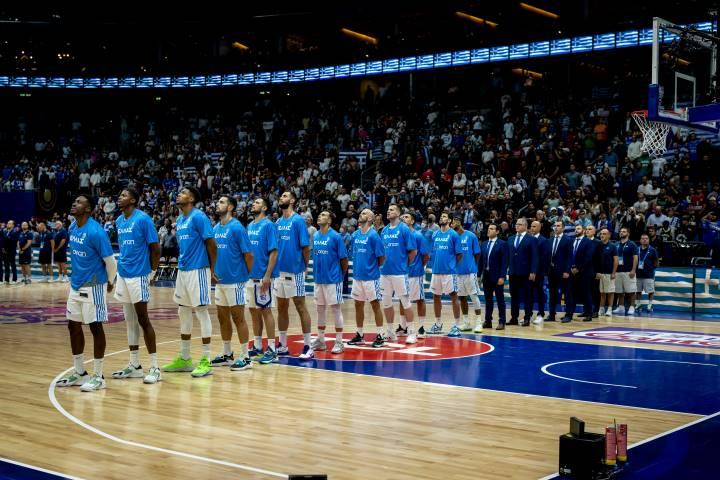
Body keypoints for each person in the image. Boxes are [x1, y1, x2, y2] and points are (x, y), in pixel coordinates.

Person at [55, 195, 116, 392]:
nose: (74, 203)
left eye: (79, 202)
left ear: (88, 209)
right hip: (75, 285)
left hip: (94, 284)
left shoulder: (96, 232)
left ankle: (98, 376)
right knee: (73, 326)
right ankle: (80, 372)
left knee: (95, 327)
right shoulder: (73, 227)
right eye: (74, 201)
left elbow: (111, 262)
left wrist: (109, 281)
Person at [162, 186, 217, 378]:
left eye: (183, 192)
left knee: (201, 311)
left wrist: (213, 269)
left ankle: (206, 360)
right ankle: (185, 358)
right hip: (183, 270)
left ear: (192, 198)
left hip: (198, 269)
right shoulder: (179, 219)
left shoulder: (199, 217)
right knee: (183, 311)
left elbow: (211, 244)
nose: (179, 194)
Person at [111, 188, 162, 384]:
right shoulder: (119, 220)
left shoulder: (143, 219)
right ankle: (134, 365)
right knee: (130, 321)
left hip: (139, 274)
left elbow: (155, 248)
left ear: (133, 200)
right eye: (120, 195)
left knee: (143, 320)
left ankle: (155, 367)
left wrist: (152, 272)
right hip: (123, 274)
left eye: (124, 195)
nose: (120, 197)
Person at [210, 195, 254, 370]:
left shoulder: (237, 227)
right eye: (218, 202)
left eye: (222, 202)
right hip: (220, 282)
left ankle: (246, 357)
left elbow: (248, 255)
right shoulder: (215, 228)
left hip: (235, 281)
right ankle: (227, 354)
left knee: (238, 318)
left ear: (230, 207)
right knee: (222, 318)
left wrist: (243, 275)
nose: (217, 204)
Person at [274, 191, 313, 359]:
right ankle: (283, 345)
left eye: (284, 196)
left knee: (300, 306)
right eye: (280, 196)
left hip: (295, 271)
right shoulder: (277, 222)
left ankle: (308, 346)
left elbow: (305, 247)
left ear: (292, 200)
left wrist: (304, 267)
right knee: (281, 307)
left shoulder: (297, 221)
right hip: (279, 271)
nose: (281, 198)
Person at [309, 211, 349, 356]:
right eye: (319, 215)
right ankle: (321, 340)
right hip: (319, 279)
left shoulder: (336, 236)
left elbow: (344, 259)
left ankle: (339, 341)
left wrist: (339, 276)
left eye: (324, 215)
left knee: (336, 309)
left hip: (333, 279)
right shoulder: (315, 235)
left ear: (330, 220)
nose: (320, 216)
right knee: (319, 309)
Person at [246, 197, 279, 363]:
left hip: (263, 276)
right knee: (253, 310)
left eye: (257, 203)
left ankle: (272, 348)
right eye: (253, 202)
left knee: (266, 310)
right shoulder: (249, 226)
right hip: (249, 276)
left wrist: (267, 275)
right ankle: (257, 345)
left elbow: (274, 251)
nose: (254, 204)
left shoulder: (268, 225)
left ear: (265, 208)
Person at [348, 208, 386, 348]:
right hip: (357, 277)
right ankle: (359, 334)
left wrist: (372, 268)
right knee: (358, 305)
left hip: (371, 277)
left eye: (364, 213)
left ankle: (380, 335)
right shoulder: (355, 235)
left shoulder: (374, 236)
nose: (361, 214)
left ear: (370, 219)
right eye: (361, 213)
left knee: (375, 305)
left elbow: (381, 257)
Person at [380, 204, 417, 341]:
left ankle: (411, 332)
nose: (388, 211)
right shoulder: (384, 230)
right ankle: (390, 331)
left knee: (405, 302)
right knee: (386, 303)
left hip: (400, 272)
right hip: (385, 272)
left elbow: (413, 251)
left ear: (399, 213)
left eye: (392, 210)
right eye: (388, 209)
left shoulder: (404, 229)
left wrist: (404, 264)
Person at [429, 212, 464, 336]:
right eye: (441, 216)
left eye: (444, 216)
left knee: (454, 296)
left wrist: (452, 265)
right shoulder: (435, 234)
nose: (441, 218)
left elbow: (459, 254)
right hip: (436, 270)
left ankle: (457, 325)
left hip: (449, 272)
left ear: (449, 220)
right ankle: (438, 324)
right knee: (436, 296)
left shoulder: (453, 235)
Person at [400, 212, 430, 338]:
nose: (403, 218)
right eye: (402, 217)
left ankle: (421, 327)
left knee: (419, 299)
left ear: (412, 221)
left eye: (406, 217)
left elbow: (426, 256)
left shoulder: (418, 235)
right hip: (402, 272)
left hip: (415, 273)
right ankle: (403, 326)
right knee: (402, 299)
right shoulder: (400, 235)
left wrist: (418, 266)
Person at [452, 217, 483, 332]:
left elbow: (477, 253)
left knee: (474, 296)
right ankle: (466, 323)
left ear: (459, 222)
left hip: (470, 272)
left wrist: (472, 265)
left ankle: (479, 323)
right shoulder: (452, 237)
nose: (452, 224)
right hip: (457, 272)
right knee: (462, 297)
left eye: (454, 222)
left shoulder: (471, 235)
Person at [507, 218, 538, 326]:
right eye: (516, 224)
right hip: (513, 272)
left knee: (527, 296)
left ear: (525, 226)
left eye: (519, 224)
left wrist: (533, 271)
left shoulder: (532, 239)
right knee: (514, 296)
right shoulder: (510, 238)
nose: (517, 226)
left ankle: (527, 318)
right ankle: (514, 318)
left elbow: (535, 256)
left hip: (526, 273)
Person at [479, 223, 509, 330]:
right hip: (486, 276)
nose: (489, 230)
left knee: (500, 299)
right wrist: (478, 275)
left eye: (492, 229)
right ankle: (488, 321)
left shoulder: (502, 244)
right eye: (488, 228)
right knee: (488, 300)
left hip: (497, 276)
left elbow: (504, 262)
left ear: (497, 232)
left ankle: (502, 321)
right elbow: (481, 261)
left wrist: (502, 276)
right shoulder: (484, 243)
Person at [564, 224, 594, 322]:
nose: (576, 230)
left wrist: (578, 268)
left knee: (586, 293)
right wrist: (569, 268)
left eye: (578, 229)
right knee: (570, 293)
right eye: (575, 229)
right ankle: (569, 314)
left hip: (584, 272)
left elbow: (588, 257)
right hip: (571, 271)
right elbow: (568, 256)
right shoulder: (571, 241)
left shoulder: (588, 242)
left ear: (583, 230)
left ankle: (589, 314)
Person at [547, 220, 573, 322]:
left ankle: (568, 315)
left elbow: (569, 257)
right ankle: (552, 314)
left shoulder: (568, 240)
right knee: (552, 293)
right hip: (551, 271)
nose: (556, 227)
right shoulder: (550, 239)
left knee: (567, 293)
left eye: (558, 226)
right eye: (555, 226)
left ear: (563, 228)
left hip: (563, 271)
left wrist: (567, 271)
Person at [613, 227, 638, 316]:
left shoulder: (632, 244)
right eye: (620, 231)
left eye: (624, 231)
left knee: (631, 291)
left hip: (628, 271)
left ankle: (632, 307)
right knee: (619, 291)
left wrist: (633, 270)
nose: (621, 233)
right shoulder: (616, 244)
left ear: (628, 233)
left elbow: (635, 258)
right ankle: (621, 307)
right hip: (618, 271)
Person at [529, 220, 550, 324]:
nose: (532, 228)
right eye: (531, 226)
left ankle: (541, 314)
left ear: (539, 228)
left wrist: (537, 271)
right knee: (529, 294)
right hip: (528, 272)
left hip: (539, 272)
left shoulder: (544, 240)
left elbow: (544, 258)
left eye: (534, 226)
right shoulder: (528, 239)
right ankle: (528, 314)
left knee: (539, 293)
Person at [596, 228, 618, 317]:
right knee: (602, 292)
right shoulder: (598, 245)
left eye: (604, 234)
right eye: (601, 234)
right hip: (600, 273)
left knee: (610, 292)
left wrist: (613, 272)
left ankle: (609, 309)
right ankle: (601, 309)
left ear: (609, 235)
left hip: (609, 272)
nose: (602, 235)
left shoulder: (612, 246)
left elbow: (616, 260)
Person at [636, 233, 659, 314]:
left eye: (646, 238)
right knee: (638, 290)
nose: (644, 240)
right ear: (640, 240)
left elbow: (656, 261)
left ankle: (650, 305)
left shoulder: (652, 250)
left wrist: (651, 269)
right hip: (638, 274)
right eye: (643, 238)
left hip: (648, 274)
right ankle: (638, 304)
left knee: (650, 291)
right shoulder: (637, 249)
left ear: (649, 240)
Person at [585, 225, 602, 318]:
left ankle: (596, 310)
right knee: (585, 291)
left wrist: (599, 271)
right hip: (583, 270)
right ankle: (586, 311)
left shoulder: (598, 243)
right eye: (587, 229)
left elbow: (600, 258)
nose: (587, 230)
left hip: (594, 270)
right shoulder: (583, 241)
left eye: (590, 229)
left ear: (594, 232)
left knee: (595, 291)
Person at [2, 220, 18, 284]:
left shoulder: (15, 232)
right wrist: (3, 248)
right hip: (5, 251)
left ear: (13, 225)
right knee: (6, 266)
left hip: (11, 251)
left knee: (13, 265)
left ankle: (14, 279)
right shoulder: (5, 231)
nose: (8, 224)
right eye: (8, 223)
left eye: (9, 223)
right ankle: (6, 280)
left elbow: (12, 241)